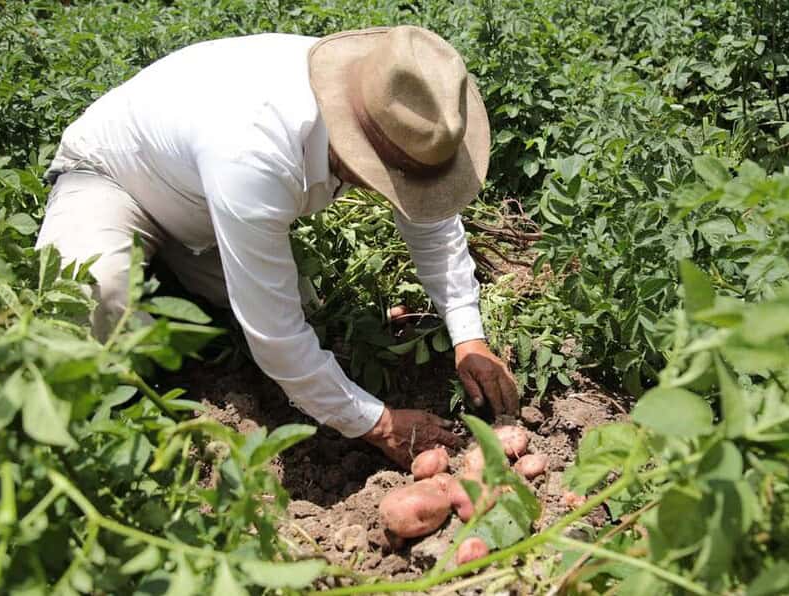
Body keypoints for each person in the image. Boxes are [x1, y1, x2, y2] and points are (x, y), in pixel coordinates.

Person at [35, 26, 519, 468]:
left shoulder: (393, 101)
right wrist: (377, 423)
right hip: (113, 179)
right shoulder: (255, 147)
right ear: (358, 148)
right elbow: (277, 337)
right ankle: (99, 447)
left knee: (313, 317)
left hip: (207, 204)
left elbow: (428, 216)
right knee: (98, 293)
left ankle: (175, 274)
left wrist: (468, 334)